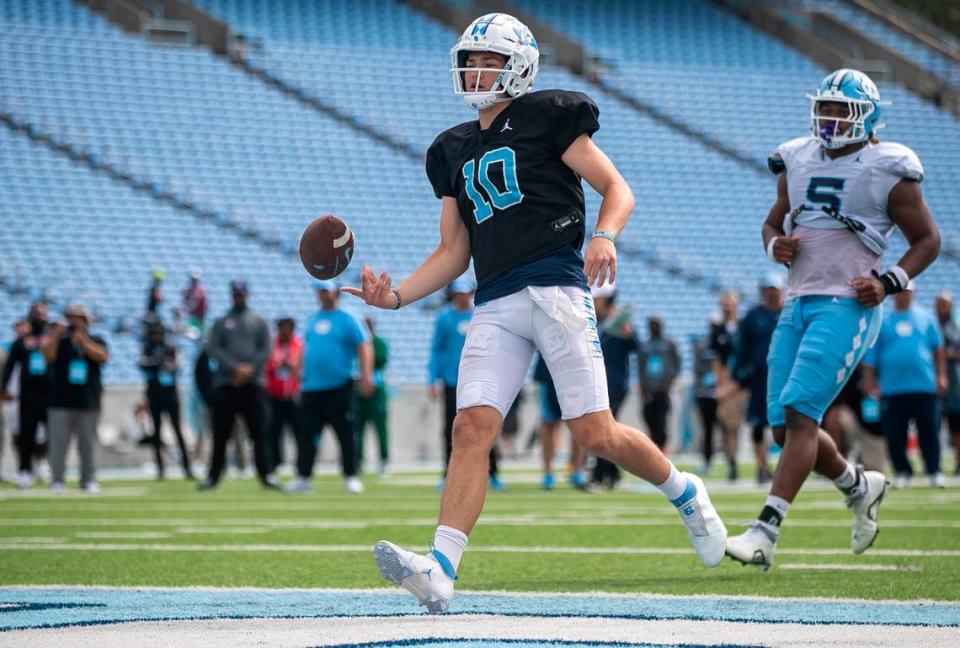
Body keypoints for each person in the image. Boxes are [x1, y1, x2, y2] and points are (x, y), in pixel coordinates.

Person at [344, 13, 726, 614]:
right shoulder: (450, 149)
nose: (474, 71)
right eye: (469, 60)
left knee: (594, 434)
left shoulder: (549, 115)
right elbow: (452, 251)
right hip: (493, 298)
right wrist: (393, 297)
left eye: (486, 60)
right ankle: (441, 570)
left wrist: (605, 234)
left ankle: (684, 491)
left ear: (517, 65)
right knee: (470, 428)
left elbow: (617, 187)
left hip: (556, 286)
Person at [726, 69, 941, 569]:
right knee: (782, 429)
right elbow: (772, 221)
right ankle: (858, 485)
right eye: (824, 108)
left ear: (867, 117)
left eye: (840, 110)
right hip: (797, 300)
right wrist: (773, 245)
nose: (829, 118)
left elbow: (927, 240)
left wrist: (889, 282)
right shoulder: (796, 157)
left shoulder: (889, 165)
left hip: (848, 304)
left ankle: (765, 531)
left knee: (802, 415)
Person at [285, 280, 372, 494]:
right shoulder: (312, 319)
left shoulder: (348, 317)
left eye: (326, 291)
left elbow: (363, 345)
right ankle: (303, 476)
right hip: (312, 387)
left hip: (339, 386)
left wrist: (366, 374)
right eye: (320, 291)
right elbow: (304, 350)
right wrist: (296, 372)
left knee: (345, 433)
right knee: (306, 434)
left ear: (335, 292)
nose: (323, 295)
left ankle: (351, 475)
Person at [861, 283, 947, 488]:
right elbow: (871, 356)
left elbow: (938, 350)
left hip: (924, 385)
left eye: (907, 292)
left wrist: (941, 375)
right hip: (892, 388)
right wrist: (869, 380)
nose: (903, 296)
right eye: (900, 291)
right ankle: (902, 470)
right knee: (895, 432)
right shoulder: (883, 321)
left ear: (913, 293)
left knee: (929, 429)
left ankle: (934, 470)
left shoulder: (926, 319)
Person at [428, 278, 504, 491]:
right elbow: (436, 349)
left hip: (480, 379)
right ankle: (448, 473)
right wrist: (432, 379)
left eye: (464, 293)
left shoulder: (480, 314)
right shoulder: (444, 318)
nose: (461, 297)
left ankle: (494, 473)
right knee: (450, 429)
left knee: (487, 425)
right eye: (457, 293)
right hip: (453, 380)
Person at [200, 280, 275, 490]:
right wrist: (235, 369)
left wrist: (248, 370)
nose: (239, 297)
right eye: (236, 294)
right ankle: (213, 475)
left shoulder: (259, 321)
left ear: (247, 294)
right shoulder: (221, 322)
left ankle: (265, 474)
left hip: (253, 384)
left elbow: (266, 349)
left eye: (242, 294)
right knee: (221, 433)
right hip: (227, 383)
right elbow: (214, 349)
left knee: (259, 432)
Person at [43, 304, 109, 493]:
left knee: (87, 444)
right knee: (58, 444)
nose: (75, 321)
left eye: (79, 318)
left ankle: (88, 479)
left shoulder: (96, 339)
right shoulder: (60, 341)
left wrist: (84, 342)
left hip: (88, 401)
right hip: (60, 401)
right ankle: (57, 479)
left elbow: (102, 357)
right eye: (72, 317)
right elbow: (47, 357)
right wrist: (56, 334)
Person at [730, 273, 785, 484]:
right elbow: (742, 348)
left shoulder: (788, 313)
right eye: (768, 288)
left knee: (785, 421)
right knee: (758, 424)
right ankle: (762, 466)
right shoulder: (753, 317)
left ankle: (784, 466)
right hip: (759, 376)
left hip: (783, 376)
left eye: (775, 288)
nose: (772, 292)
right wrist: (738, 376)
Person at [590, 282, 638, 489]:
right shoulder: (597, 322)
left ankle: (600, 474)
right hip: (599, 382)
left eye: (598, 299)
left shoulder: (619, 323)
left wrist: (629, 334)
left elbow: (636, 347)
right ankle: (611, 473)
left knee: (605, 429)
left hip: (615, 384)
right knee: (604, 429)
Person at [1, 302, 51, 489]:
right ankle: (24, 470)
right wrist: (4, 388)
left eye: (42, 313)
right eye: (36, 314)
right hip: (28, 395)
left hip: (50, 394)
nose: (40, 317)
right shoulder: (21, 341)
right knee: (26, 435)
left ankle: (46, 465)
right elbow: (10, 366)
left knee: (51, 434)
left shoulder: (52, 338)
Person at [138, 318, 193, 480]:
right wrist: (157, 364)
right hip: (154, 395)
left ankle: (187, 468)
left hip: (170, 395)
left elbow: (177, 366)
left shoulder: (170, 348)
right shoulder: (147, 348)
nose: (156, 336)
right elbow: (143, 364)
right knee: (156, 432)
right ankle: (160, 469)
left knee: (177, 431)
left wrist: (163, 365)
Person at [534, 354, 585, 490]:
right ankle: (548, 473)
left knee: (578, 425)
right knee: (549, 424)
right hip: (549, 374)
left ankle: (577, 471)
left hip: (574, 376)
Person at [710, 292, 743, 480]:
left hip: (743, 379)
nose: (728, 306)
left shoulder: (743, 327)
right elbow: (716, 360)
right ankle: (732, 460)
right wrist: (719, 383)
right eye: (725, 303)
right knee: (728, 423)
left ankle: (762, 463)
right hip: (727, 379)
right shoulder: (718, 331)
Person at [265, 317, 303, 473]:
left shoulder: (299, 345)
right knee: (274, 432)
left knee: (299, 432)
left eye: (288, 328)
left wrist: (293, 366)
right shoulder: (271, 345)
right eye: (283, 328)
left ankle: (302, 465)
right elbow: (267, 365)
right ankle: (274, 464)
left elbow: (303, 366)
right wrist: (278, 365)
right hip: (274, 395)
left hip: (294, 395)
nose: (285, 331)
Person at [637, 315, 680, 450]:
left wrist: (668, 385)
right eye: (652, 324)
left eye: (656, 324)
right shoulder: (645, 346)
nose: (654, 327)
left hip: (663, 391)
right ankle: (654, 447)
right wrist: (644, 391)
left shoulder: (669, 344)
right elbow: (641, 369)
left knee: (661, 422)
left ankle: (662, 449)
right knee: (649, 418)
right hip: (648, 391)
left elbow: (676, 366)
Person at [355, 317, 390, 477]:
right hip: (358, 392)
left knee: (380, 429)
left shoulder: (379, 343)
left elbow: (380, 362)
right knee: (357, 429)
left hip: (377, 392)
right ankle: (358, 461)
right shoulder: (355, 344)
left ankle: (383, 460)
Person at [935, 292, 960, 475]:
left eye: (945, 304)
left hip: (955, 386)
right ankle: (934, 465)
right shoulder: (931, 324)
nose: (941, 307)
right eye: (939, 304)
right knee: (933, 427)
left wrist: (944, 355)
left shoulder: (956, 326)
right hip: (932, 385)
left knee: (957, 427)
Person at [692, 333, 720, 475]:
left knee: (726, 430)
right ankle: (707, 461)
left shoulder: (720, 349)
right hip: (706, 396)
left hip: (720, 395)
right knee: (707, 431)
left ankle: (730, 462)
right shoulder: (702, 354)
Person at [182, 270, 208, 336]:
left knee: (199, 335)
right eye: (193, 280)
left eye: (195, 280)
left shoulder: (201, 291)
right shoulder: (188, 290)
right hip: (191, 317)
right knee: (190, 335)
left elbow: (204, 305)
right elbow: (185, 302)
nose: (194, 282)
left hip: (199, 317)